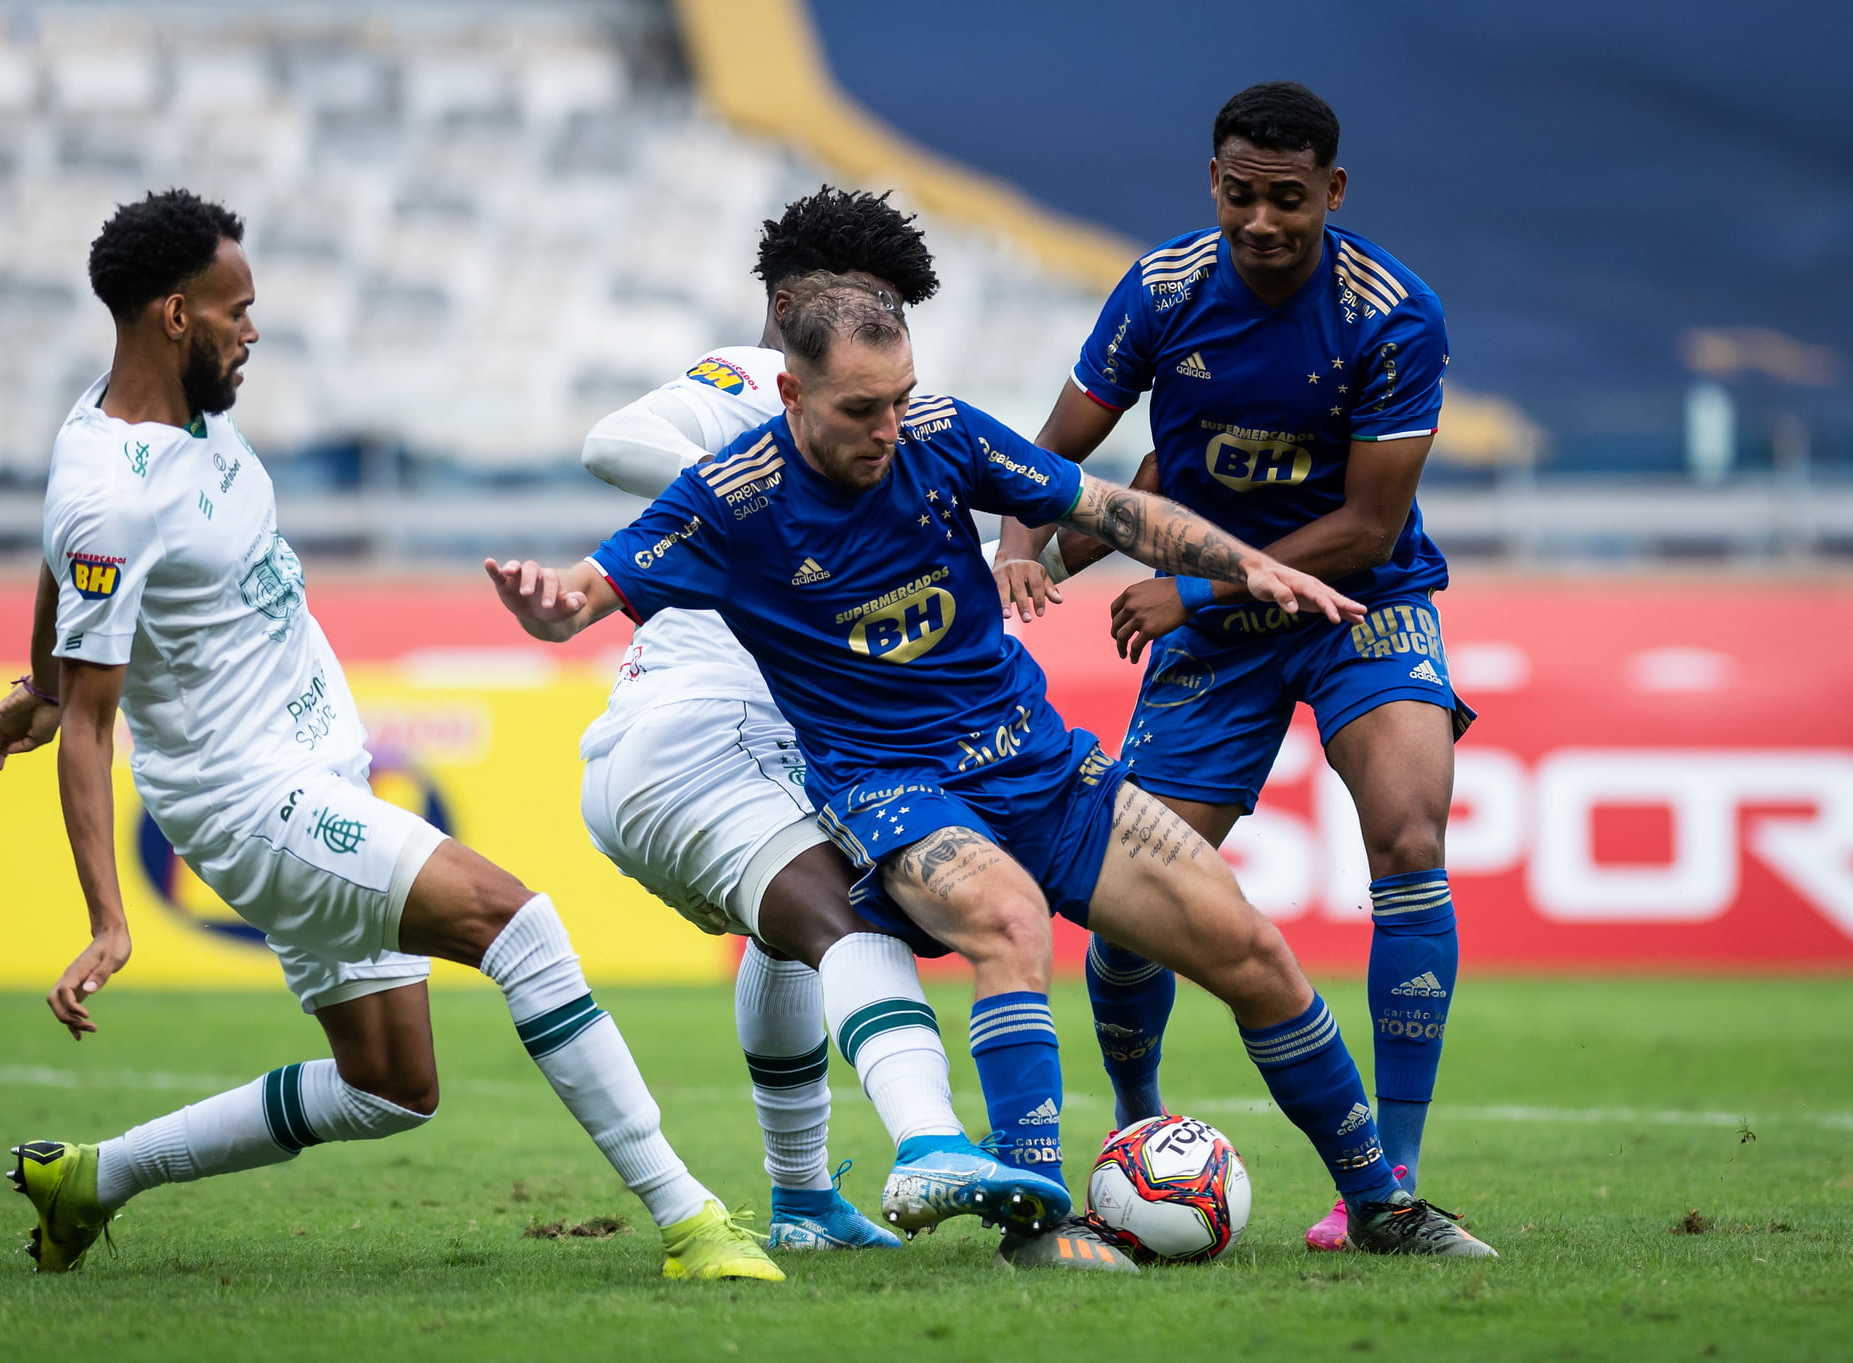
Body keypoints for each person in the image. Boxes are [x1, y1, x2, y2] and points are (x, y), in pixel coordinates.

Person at [487, 279, 1496, 1266]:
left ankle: (1379, 1204)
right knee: (1008, 921)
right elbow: (591, 586)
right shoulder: (729, 498)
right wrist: (551, 605)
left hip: (1041, 765)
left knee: (1249, 949)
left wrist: (1245, 564)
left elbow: (1104, 504)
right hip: (896, 788)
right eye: (859, 408)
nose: (889, 427)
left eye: (898, 396)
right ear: (791, 396)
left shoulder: (938, 429)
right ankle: (1036, 1222)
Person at [0, 189, 778, 1281]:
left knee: (391, 1087)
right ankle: (692, 1221)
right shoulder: (110, 491)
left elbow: (59, 575)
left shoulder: (157, 425)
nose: (252, 328)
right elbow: (93, 721)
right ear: (171, 315)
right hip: (254, 803)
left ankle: (91, 1179)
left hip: (312, 775)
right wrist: (107, 915)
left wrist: (43, 678)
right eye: (234, 309)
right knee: (516, 924)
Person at [994, 81, 1472, 1253]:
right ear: (1213, 183)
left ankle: (1389, 1181)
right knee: (1134, 904)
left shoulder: (1391, 314)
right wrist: (1017, 545)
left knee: (1408, 836)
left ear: (1332, 193)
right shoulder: (1159, 292)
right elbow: (1054, 454)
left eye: (1289, 200)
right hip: (1215, 639)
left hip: (1357, 603)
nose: (1261, 221)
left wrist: (1191, 583)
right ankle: (1137, 1133)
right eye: (1241, 195)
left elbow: (1364, 527)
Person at [577, 187, 1066, 1250]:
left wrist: (1042, 553)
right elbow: (611, 443)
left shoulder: (874, 445)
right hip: (698, 735)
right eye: (865, 306)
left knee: (799, 934)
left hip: (751, 750)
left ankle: (802, 1201)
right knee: (842, 922)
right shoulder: (745, 389)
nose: (880, 342)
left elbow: (913, 573)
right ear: (793, 306)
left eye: (895, 317)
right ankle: (930, 1143)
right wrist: (765, 497)